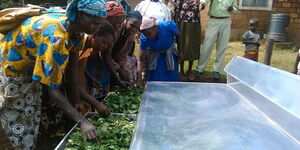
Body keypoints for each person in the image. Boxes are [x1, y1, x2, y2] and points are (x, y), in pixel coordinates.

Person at [0, 0, 107, 149]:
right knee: (17, 118)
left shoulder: (76, 30)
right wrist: (82, 121)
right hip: (13, 68)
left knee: (30, 113)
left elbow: (72, 70)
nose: (97, 28)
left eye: (100, 24)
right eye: (95, 23)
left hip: (31, 67)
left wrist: (76, 103)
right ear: (81, 15)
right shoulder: (56, 37)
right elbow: (51, 88)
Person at [195, 0, 238, 80]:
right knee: (207, 45)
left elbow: (235, 8)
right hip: (214, 20)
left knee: (222, 46)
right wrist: (203, 4)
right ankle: (200, 69)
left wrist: (232, 9)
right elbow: (205, 1)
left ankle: (217, 71)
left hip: (226, 20)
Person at [137, 17, 182, 84]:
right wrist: (139, 78)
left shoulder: (168, 26)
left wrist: (181, 52)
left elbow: (178, 34)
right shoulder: (144, 38)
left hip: (170, 56)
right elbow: (140, 59)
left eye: (149, 33)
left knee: (172, 79)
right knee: (155, 80)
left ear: (156, 27)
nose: (148, 36)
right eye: (145, 34)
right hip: (155, 58)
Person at [107, 11, 142, 86]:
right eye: (132, 25)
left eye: (137, 28)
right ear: (126, 20)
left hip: (113, 62)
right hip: (104, 60)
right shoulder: (116, 30)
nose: (134, 30)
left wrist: (122, 70)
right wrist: (118, 70)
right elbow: (106, 56)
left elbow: (123, 55)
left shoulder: (131, 35)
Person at [173, 0, 204, 81]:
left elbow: (201, 6)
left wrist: (202, 5)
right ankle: (182, 70)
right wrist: (176, 25)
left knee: (193, 46)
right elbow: (176, 10)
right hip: (182, 24)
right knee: (182, 45)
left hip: (195, 24)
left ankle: (190, 70)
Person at [83, 24, 116, 101]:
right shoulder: (79, 45)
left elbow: (81, 68)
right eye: (104, 42)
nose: (105, 47)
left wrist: (90, 78)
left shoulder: (89, 49)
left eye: (107, 44)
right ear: (95, 34)